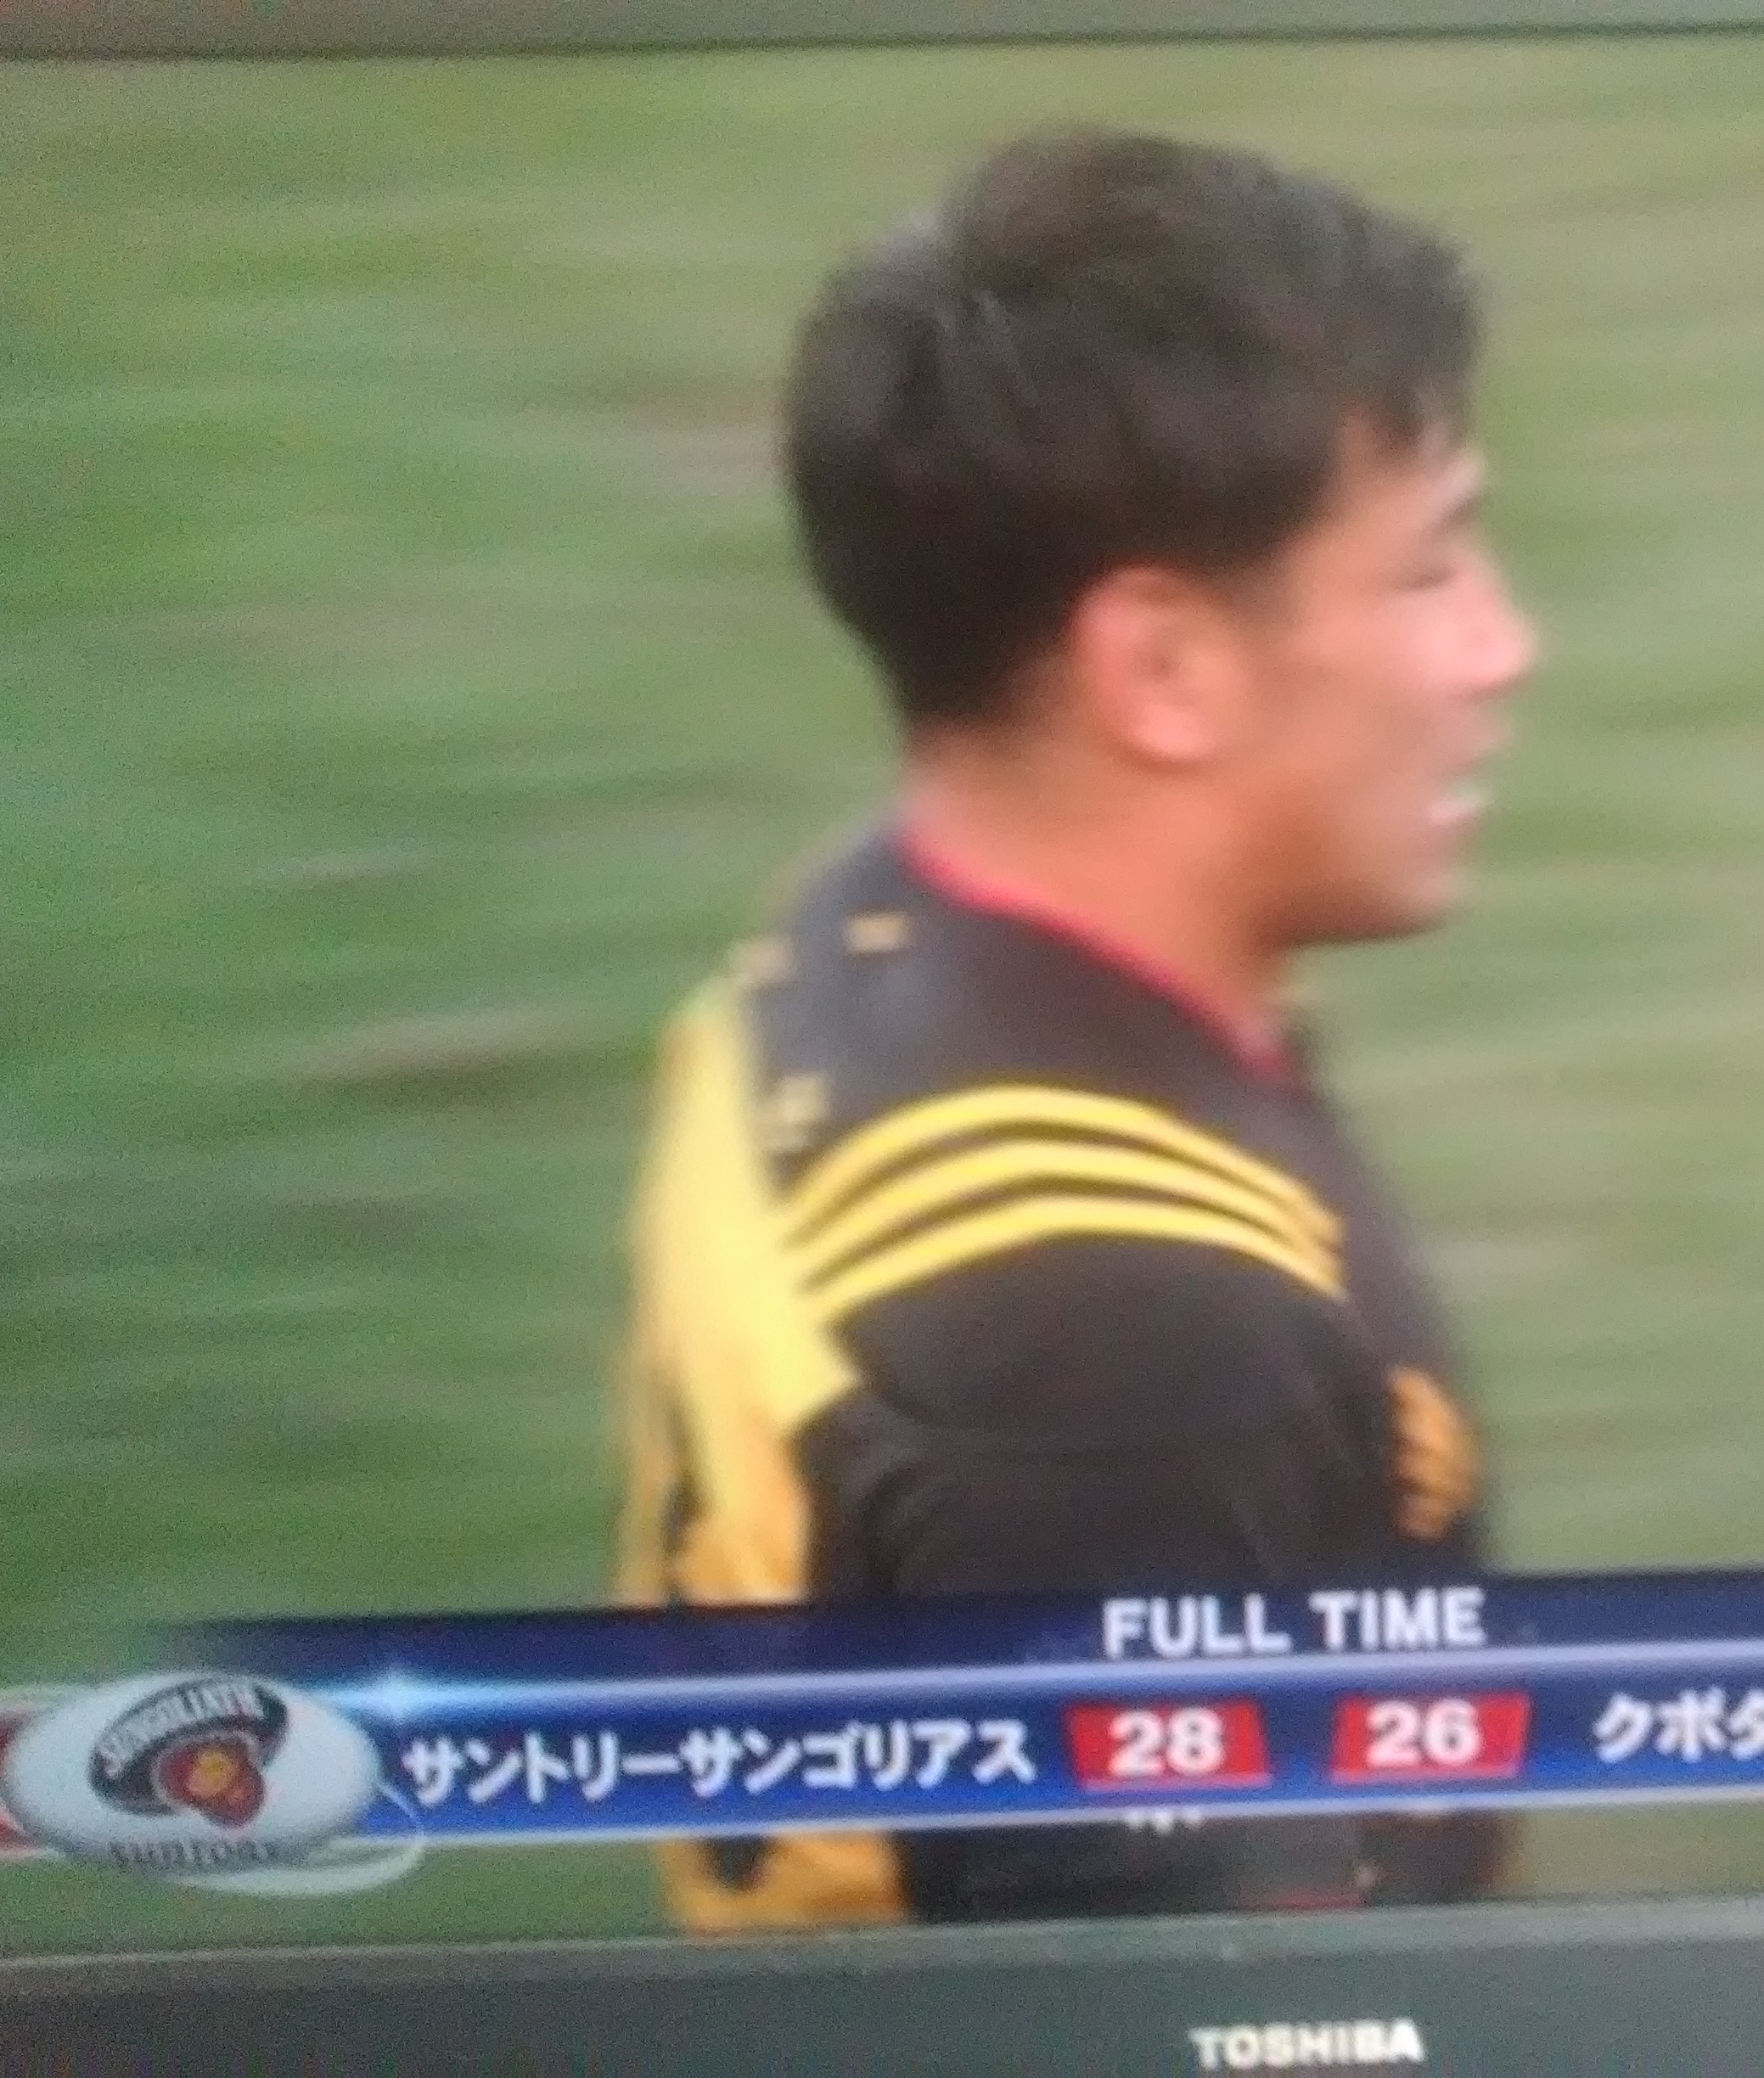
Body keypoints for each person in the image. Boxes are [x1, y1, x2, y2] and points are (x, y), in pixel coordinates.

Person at [610, 125, 1537, 1930]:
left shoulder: (853, 931)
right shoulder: (1130, 1347)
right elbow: (1222, 2022)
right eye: (1431, 573)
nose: (1503, 650)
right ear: (1162, 670)